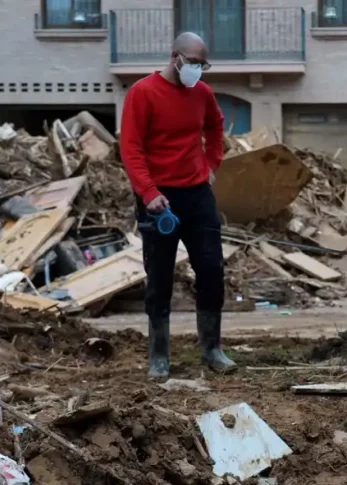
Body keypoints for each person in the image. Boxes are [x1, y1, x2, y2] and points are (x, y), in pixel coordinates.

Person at [120, 32, 236, 379]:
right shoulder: (143, 93)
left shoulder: (202, 93)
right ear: (175, 57)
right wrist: (148, 192)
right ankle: (159, 355)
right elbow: (131, 148)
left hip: (197, 195)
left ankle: (212, 349)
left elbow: (215, 130)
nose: (197, 70)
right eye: (193, 63)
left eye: (203, 65)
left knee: (212, 270)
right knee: (159, 277)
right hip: (159, 200)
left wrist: (211, 165)